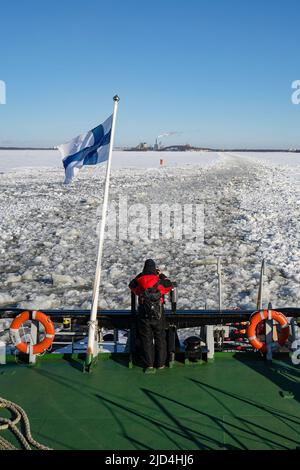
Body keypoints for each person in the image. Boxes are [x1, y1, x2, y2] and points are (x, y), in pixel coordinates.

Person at [129, 259, 173, 374]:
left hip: (144, 315)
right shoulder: (159, 281)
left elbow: (131, 284)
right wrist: (161, 274)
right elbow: (169, 285)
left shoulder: (140, 281)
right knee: (160, 338)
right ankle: (161, 364)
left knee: (146, 340)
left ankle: (149, 365)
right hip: (158, 314)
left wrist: (141, 274)